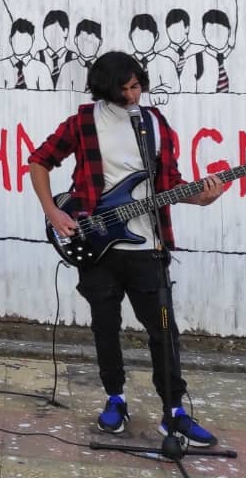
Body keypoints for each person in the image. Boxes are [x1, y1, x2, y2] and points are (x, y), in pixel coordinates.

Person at [28, 51, 224, 447]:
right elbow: (40, 161)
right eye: (125, 90)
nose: (134, 96)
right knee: (106, 326)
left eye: (137, 87)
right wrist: (53, 212)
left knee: (164, 330)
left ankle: (175, 411)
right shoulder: (83, 122)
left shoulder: (155, 124)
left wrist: (198, 198)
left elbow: (169, 184)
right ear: (106, 89)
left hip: (148, 247)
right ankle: (114, 398)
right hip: (96, 244)